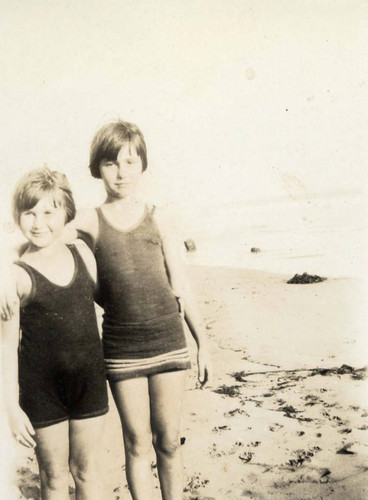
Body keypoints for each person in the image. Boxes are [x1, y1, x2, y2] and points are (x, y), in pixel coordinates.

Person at [1, 120, 212, 500]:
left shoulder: (159, 216)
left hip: (167, 340)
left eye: (130, 162)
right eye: (111, 163)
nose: (121, 172)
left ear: (143, 164)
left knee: (168, 443)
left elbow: (180, 284)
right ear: (97, 168)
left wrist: (204, 342)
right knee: (136, 444)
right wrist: (4, 272)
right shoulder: (87, 220)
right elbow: (39, 236)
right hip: (120, 349)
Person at [1, 168, 109, 500]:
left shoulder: (84, 256)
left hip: (88, 382)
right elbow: (5, 350)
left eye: (49, 212)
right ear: (18, 216)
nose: (38, 222)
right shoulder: (16, 277)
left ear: (66, 213)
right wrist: (11, 409)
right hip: (41, 390)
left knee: (87, 471)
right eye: (29, 212)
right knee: (53, 476)